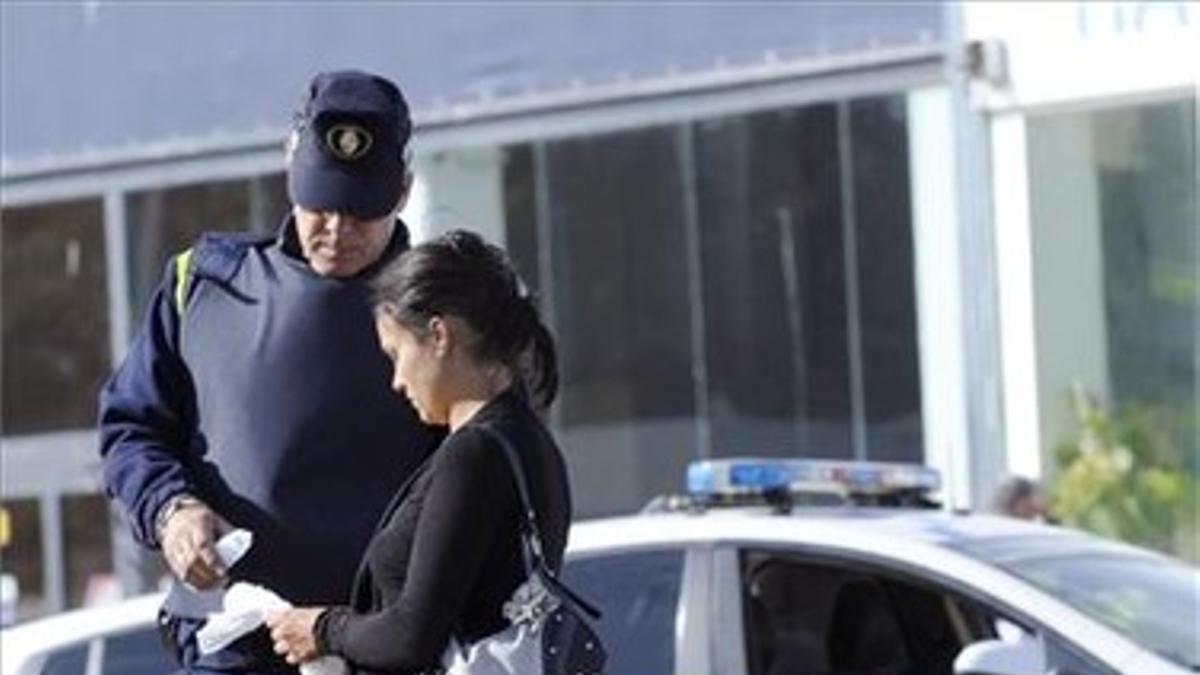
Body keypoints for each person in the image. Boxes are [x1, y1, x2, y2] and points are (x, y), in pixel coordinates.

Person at [99, 70, 441, 674]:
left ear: (404, 190)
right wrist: (171, 509)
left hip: (382, 648)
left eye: (361, 211)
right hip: (234, 640)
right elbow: (131, 426)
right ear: (289, 170)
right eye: (320, 203)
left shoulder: (450, 310)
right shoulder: (202, 285)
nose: (336, 230)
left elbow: (495, 464)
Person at [264, 230, 571, 675]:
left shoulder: (475, 455)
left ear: (438, 335)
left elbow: (411, 637)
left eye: (396, 354)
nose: (396, 381)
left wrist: (323, 628)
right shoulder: (528, 441)